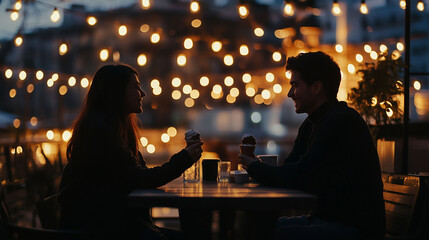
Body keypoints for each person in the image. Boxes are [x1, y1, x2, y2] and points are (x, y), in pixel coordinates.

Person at [239, 51, 385, 240]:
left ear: (316, 87)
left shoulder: (339, 122)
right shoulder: (312, 124)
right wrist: (258, 168)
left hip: (355, 228)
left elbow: (299, 175)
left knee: (274, 232)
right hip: (327, 219)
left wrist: (253, 167)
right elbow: (291, 168)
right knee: (257, 225)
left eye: (295, 85)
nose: (290, 93)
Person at [57, 64, 203, 240]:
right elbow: (141, 179)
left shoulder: (116, 129)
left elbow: (139, 175)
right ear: (115, 92)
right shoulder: (100, 132)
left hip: (112, 223)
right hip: (98, 229)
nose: (142, 93)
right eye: (135, 87)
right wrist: (185, 157)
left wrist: (185, 156)